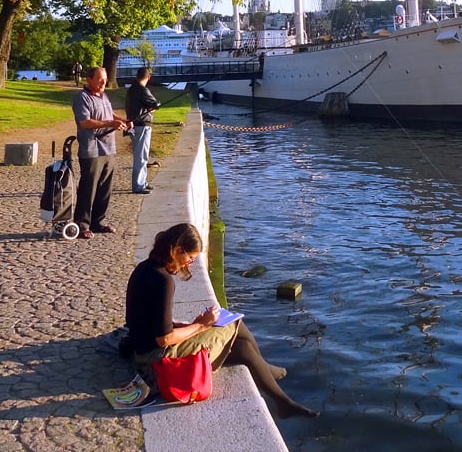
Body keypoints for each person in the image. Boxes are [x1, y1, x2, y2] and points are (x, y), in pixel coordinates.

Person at [125, 223, 319, 419]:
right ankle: (269, 373)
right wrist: (202, 325)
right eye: (190, 258)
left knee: (242, 349)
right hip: (156, 361)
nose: (188, 264)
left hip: (142, 352)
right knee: (234, 323)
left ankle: (282, 401)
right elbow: (164, 339)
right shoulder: (163, 281)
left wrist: (187, 326)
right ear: (177, 250)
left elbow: (149, 320)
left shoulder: (144, 268)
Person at [72, 66, 132, 240]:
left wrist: (122, 121)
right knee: (88, 188)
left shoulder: (103, 95)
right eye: (100, 79)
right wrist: (109, 124)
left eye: (105, 80)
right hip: (91, 150)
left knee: (105, 188)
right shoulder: (82, 98)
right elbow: (84, 122)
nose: (103, 83)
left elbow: (109, 113)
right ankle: (82, 224)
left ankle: (98, 222)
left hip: (109, 149)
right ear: (89, 79)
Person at [125, 67, 160, 194]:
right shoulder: (142, 90)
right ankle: (138, 186)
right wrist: (154, 106)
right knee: (140, 156)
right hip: (142, 126)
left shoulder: (132, 89)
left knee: (143, 155)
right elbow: (155, 103)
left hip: (135, 125)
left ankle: (143, 181)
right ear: (148, 78)